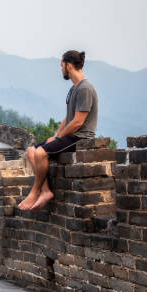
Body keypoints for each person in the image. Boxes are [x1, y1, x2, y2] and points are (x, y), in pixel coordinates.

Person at [19, 50, 98, 210]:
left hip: (80, 137)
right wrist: (56, 136)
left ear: (68, 66)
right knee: (30, 151)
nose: (60, 69)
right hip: (70, 135)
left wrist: (58, 138)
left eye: (61, 65)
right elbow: (68, 118)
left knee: (40, 153)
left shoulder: (85, 88)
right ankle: (46, 191)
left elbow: (77, 122)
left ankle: (34, 192)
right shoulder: (74, 88)